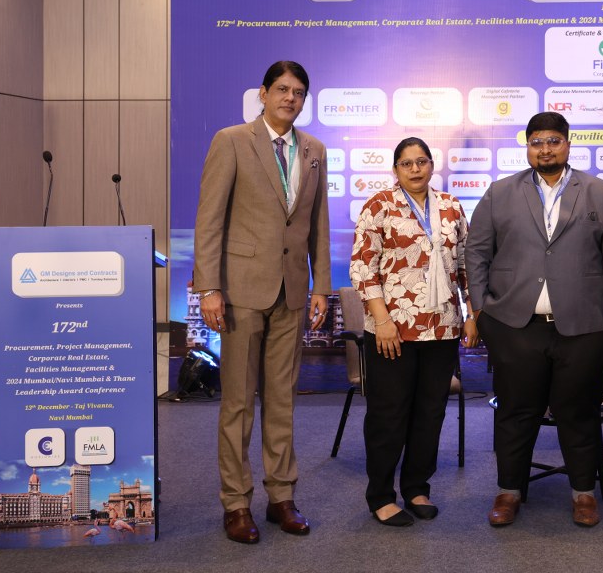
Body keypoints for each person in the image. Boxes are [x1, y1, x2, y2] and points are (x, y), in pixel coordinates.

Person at [466, 111, 603, 528]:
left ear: (568, 144)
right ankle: (509, 491)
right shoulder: (499, 192)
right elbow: (477, 251)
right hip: (514, 326)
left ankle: (583, 493)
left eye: (553, 141)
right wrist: (481, 310)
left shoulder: (600, 193)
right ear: (527, 147)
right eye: (537, 142)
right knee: (515, 412)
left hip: (584, 327)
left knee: (579, 412)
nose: (545, 149)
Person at [193, 60, 331, 544]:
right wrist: (209, 288)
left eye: (299, 92)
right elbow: (209, 218)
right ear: (264, 94)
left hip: (292, 293)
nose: (290, 98)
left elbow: (317, 223)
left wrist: (320, 286)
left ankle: (281, 497)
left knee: (281, 401)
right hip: (240, 292)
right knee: (237, 403)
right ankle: (236, 502)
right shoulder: (231, 140)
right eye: (282, 89)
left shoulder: (314, 150)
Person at [350, 137, 476, 527]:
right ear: (395, 170)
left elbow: (467, 266)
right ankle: (381, 495)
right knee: (388, 414)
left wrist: (472, 313)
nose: (415, 169)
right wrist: (382, 321)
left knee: (430, 412)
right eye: (407, 163)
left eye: (422, 161)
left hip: (442, 327)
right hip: (392, 330)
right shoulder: (379, 206)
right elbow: (363, 268)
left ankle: (417, 487)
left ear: (432, 165)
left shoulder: (451, 207)